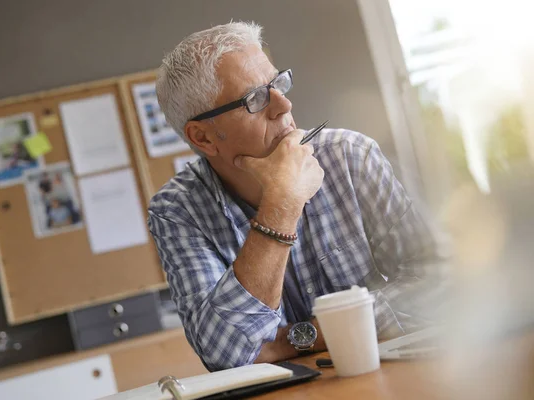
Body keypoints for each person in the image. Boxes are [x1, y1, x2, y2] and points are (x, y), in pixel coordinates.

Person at [148, 21, 443, 371]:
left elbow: (439, 284)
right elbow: (228, 355)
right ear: (204, 138)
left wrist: (297, 338)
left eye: (278, 84)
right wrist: (282, 202)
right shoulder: (177, 212)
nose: (284, 105)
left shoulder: (350, 157)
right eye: (255, 99)